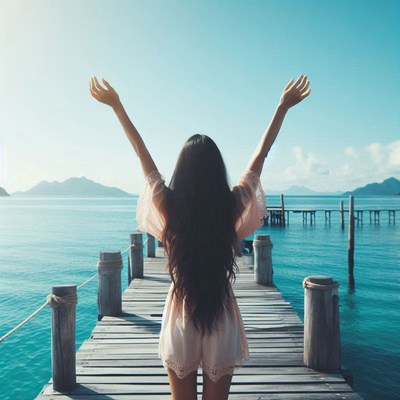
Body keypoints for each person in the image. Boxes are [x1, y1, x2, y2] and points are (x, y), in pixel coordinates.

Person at [90, 75, 310, 400]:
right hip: (220, 310)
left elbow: (141, 153)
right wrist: (281, 107)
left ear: (183, 170)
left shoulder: (169, 204)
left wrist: (117, 106)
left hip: (181, 310)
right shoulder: (230, 204)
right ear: (216, 170)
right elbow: (260, 157)